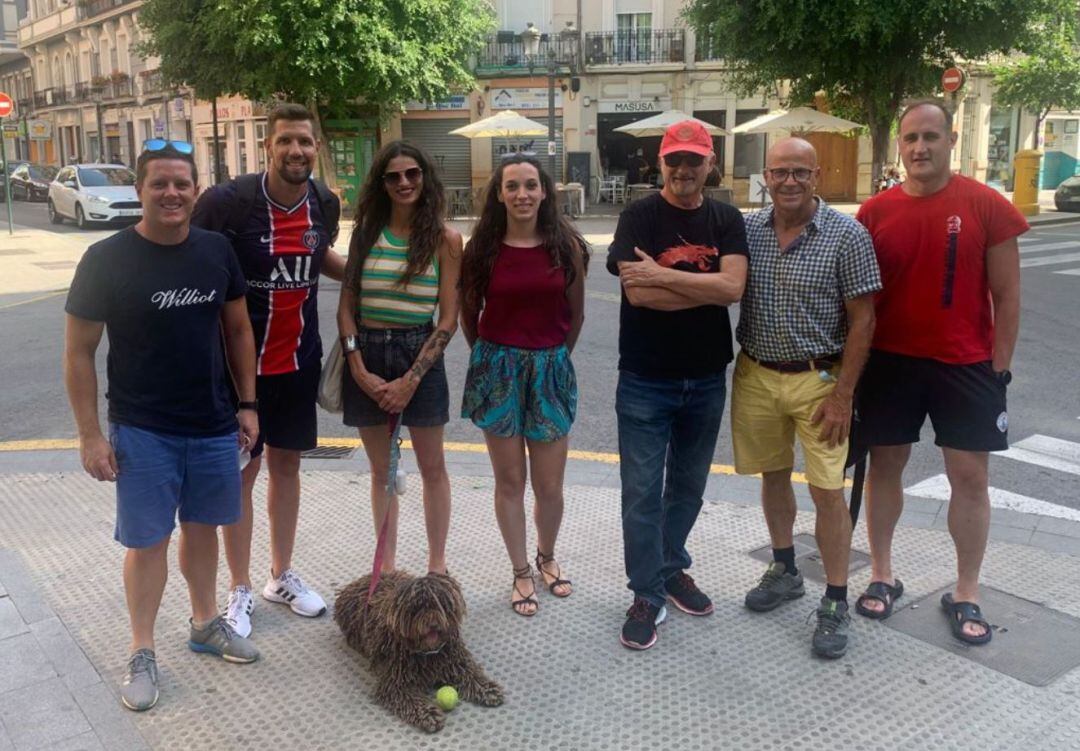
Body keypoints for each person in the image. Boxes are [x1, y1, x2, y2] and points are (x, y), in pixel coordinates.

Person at [64, 141, 260, 712]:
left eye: (181, 183)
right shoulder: (106, 258)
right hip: (143, 426)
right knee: (148, 541)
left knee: (204, 530)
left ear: (195, 191)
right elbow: (79, 352)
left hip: (213, 422)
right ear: (140, 191)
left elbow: (239, 331)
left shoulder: (216, 250)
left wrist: (247, 405)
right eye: (159, 184)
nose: (171, 193)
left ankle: (204, 624)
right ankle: (142, 650)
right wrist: (89, 434)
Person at [854, 101, 1027, 645]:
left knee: (970, 478)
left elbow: (1008, 295)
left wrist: (999, 368)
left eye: (930, 136)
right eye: (910, 138)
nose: (919, 148)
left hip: (967, 364)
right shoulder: (875, 212)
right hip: (891, 362)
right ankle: (882, 573)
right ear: (900, 145)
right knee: (886, 467)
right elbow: (861, 299)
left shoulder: (987, 206)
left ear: (951, 140)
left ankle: (966, 589)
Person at [191, 103, 344, 638]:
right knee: (243, 474)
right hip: (237, 374)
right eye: (285, 141)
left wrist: (382, 278)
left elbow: (320, 255)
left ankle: (281, 577)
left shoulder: (325, 202)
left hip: (298, 362)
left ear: (315, 148)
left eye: (304, 141)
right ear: (268, 147)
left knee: (287, 468)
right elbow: (191, 259)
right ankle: (239, 587)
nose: (296, 150)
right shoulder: (228, 204)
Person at [734, 138, 881, 659]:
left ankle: (836, 598)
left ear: (816, 175)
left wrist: (844, 395)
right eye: (779, 172)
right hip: (755, 372)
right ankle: (784, 567)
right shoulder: (747, 229)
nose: (789, 181)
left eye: (800, 171)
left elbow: (864, 319)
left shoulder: (847, 235)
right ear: (766, 178)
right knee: (773, 475)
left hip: (820, 381)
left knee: (826, 491)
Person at [606, 120, 748, 650]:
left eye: (694, 160)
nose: (684, 169)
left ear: (710, 164)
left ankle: (670, 568)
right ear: (660, 164)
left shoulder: (726, 218)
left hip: (707, 378)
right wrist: (704, 290)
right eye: (674, 160)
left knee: (687, 489)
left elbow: (732, 288)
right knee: (642, 494)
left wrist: (663, 276)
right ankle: (646, 591)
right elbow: (636, 296)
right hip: (645, 379)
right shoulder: (638, 215)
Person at [460, 154, 588, 617]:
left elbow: (575, 315)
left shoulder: (565, 246)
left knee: (549, 486)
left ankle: (547, 556)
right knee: (509, 481)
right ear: (499, 194)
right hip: (498, 370)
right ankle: (519, 570)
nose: (522, 194)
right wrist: (498, 355)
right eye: (512, 186)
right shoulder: (483, 249)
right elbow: (467, 316)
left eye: (531, 185)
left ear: (544, 191)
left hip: (550, 369)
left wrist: (549, 357)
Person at [337, 141, 462, 576]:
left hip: (419, 353)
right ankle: (385, 568)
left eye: (412, 173)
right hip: (368, 352)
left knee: (433, 468)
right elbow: (346, 308)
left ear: (425, 177)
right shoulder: (366, 234)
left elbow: (448, 320)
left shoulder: (446, 240)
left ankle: (437, 567)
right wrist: (358, 369)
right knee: (381, 471)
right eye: (394, 176)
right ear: (382, 183)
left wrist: (412, 378)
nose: (404, 182)